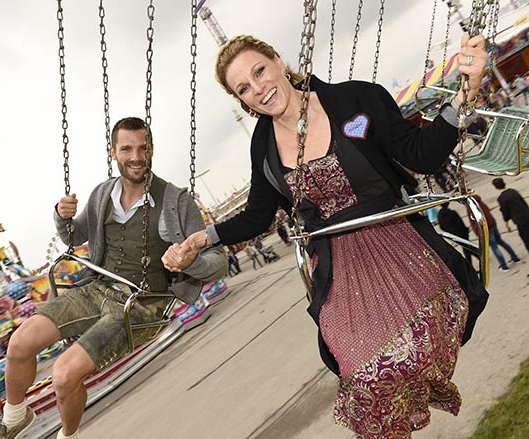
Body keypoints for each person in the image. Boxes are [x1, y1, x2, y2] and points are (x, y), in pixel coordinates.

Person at [165, 34, 490, 438]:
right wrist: (201, 238)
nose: (259, 88)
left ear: (278, 61)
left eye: (259, 71)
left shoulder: (356, 102)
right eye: (244, 88)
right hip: (339, 270)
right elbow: (256, 217)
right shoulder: (263, 146)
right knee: (362, 376)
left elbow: (421, 153)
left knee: (410, 352)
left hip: (397, 244)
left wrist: (464, 95)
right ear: (242, 101)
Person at [0, 117, 227, 439]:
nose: (136, 156)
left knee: (63, 374)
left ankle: (69, 436)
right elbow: (75, 237)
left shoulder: (175, 201)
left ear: (152, 150)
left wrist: (190, 262)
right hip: (97, 287)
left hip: (140, 304)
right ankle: (15, 416)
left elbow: (219, 262)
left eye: (143, 148)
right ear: (113, 152)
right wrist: (62, 217)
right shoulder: (103, 193)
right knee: (20, 343)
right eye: (126, 149)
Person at [466, 193, 521, 272]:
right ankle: (515, 257)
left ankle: (503, 265)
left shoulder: (470, 208)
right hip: (492, 224)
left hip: (485, 228)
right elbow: (487, 209)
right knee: (500, 241)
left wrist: (477, 232)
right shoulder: (479, 201)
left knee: (494, 247)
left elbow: (473, 221)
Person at [492, 177, 529, 252]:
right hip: (527, 215)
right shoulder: (513, 191)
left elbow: (505, 213)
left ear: (495, 187)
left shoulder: (501, 198)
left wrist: (507, 225)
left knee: (527, 239)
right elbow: (523, 203)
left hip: (520, 221)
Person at [437, 203, 476, 267]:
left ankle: (476, 256)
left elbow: (441, 227)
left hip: (453, 236)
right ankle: (470, 265)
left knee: (467, 247)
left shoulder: (440, 215)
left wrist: (450, 232)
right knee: (467, 248)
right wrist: (465, 230)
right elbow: (460, 223)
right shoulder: (452, 213)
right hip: (461, 233)